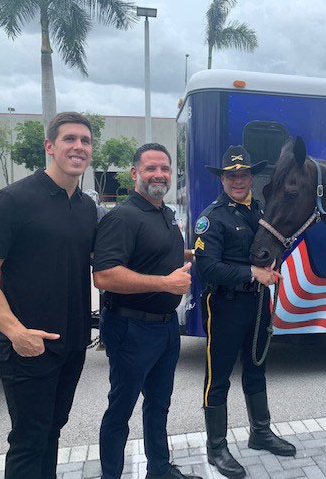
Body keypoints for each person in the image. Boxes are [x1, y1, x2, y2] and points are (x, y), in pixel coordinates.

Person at [0, 112, 97, 479]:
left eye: (85, 141)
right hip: (27, 348)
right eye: (70, 139)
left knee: (52, 431)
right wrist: (16, 333)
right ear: (50, 147)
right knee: (28, 441)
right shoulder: (13, 201)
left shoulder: (86, 208)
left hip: (70, 345)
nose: (78, 147)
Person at [93, 143, 200, 479]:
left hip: (166, 329)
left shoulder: (164, 214)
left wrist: (190, 256)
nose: (159, 174)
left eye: (164, 169)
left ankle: (160, 469)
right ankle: (111, 475)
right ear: (135, 173)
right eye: (151, 168)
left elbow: (153, 253)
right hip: (131, 329)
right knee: (120, 410)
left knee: (159, 404)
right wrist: (164, 284)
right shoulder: (122, 217)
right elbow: (104, 275)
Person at [194, 145, 296, 479]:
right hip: (224, 306)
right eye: (231, 175)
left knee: (256, 369)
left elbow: (274, 244)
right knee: (218, 377)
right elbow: (208, 268)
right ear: (222, 179)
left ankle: (260, 433)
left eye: (243, 174)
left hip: (256, 304)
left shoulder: (262, 211)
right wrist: (253, 273)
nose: (238, 180)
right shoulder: (213, 217)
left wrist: (274, 263)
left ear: (252, 177)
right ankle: (217, 447)